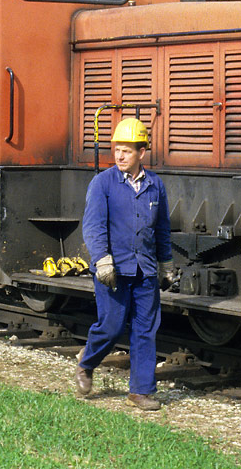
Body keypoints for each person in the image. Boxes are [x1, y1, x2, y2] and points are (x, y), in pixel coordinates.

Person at [76, 117, 173, 410]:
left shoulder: (155, 185)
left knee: (146, 329)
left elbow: (163, 228)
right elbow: (93, 226)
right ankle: (86, 363)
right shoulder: (102, 183)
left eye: (127, 150)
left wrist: (166, 263)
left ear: (141, 152)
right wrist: (102, 260)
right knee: (112, 326)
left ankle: (140, 391)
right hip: (113, 270)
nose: (119, 155)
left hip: (145, 269)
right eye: (117, 149)